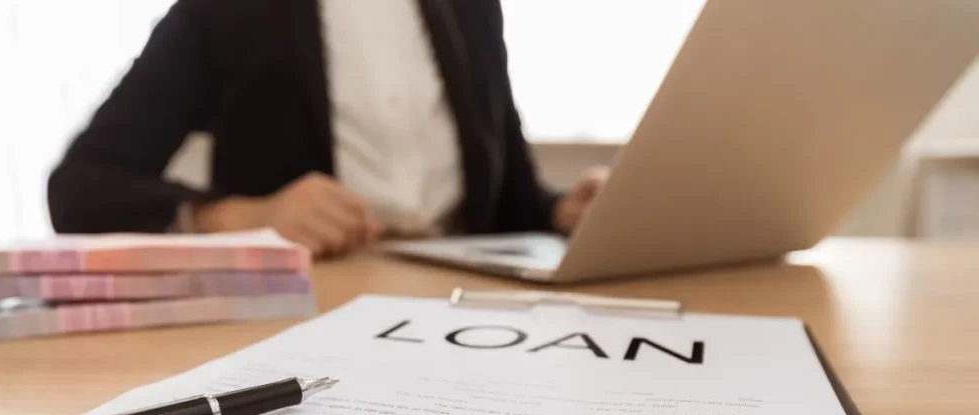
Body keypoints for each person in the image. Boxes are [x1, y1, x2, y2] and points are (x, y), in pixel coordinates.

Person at [47, 0, 603, 257]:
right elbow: (81, 188)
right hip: (311, 307)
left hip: (464, 306)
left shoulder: (471, 10)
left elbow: (509, 198)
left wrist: (564, 212)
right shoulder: (224, 11)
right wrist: (245, 217)